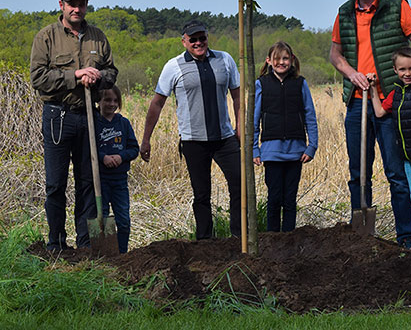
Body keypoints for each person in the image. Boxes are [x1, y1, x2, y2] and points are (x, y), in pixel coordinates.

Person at [329, 0, 411, 246]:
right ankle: (362, 238)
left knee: (396, 173)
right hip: (358, 102)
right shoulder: (345, 12)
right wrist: (352, 74)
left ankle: (407, 237)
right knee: (358, 172)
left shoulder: (396, 5)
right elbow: (336, 54)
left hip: (390, 103)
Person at [30, 0, 118, 250]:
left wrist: (99, 76)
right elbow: (38, 78)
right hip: (57, 116)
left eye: (81, 3)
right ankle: (56, 243)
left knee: (88, 182)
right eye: (72, 4)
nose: (77, 8)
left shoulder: (98, 37)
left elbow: (112, 72)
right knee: (56, 184)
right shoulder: (46, 37)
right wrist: (75, 76)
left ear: (86, 5)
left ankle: (86, 244)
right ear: (62, 5)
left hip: (87, 116)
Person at [140, 21, 241, 239]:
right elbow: (157, 103)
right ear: (184, 41)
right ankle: (205, 242)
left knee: (240, 184)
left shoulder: (225, 60)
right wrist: (146, 139)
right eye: (192, 39)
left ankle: (239, 238)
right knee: (202, 194)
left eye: (201, 38)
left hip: (225, 138)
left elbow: (237, 96)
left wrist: (240, 126)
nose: (198, 43)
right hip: (193, 141)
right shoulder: (173, 66)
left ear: (207, 37)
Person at [369, 47, 411, 252]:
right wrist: (373, 89)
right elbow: (380, 111)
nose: (407, 73)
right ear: (395, 70)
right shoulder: (397, 92)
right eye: (402, 69)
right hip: (407, 156)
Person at [253, 41, 318, 232]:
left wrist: (311, 146)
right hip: (271, 152)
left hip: (296, 151)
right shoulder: (261, 84)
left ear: (292, 60)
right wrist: (254, 148)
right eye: (277, 58)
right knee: (274, 199)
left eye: (285, 58)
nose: (281, 62)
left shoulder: (300, 83)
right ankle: (272, 238)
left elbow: (310, 115)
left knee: (290, 199)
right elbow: (254, 119)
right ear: (269, 61)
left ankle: (289, 239)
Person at [96, 85, 139, 253]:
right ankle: (106, 254)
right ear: (99, 101)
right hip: (100, 180)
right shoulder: (93, 123)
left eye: (115, 100)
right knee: (103, 218)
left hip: (120, 180)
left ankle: (122, 254)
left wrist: (121, 157)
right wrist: (103, 157)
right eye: (107, 100)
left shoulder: (123, 123)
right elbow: (86, 148)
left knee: (123, 220)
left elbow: (134, 148)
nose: (112, 104)